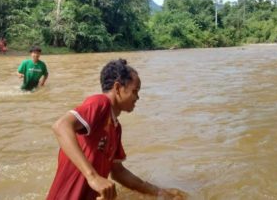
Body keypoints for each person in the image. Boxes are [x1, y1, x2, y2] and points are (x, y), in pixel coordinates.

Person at [47, 59, 186, 200]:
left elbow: (118, 172)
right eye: (135, 91)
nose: (137, 97)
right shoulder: (100, 103)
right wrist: (93, 177)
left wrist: (159, 192)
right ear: (118, 88)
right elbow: (61, 126)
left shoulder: (116, 127)